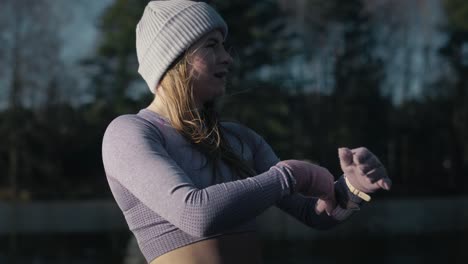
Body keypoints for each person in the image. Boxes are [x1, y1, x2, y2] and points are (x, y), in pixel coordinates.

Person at [101, 1, 392, 263]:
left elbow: (314, 214)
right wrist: (290, 175)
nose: (227, 57)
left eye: (224, 46)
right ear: (174, 58)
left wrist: (353, 189)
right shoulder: (129, 132)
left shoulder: (240, 139)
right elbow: (196, 214)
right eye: (212, 45)